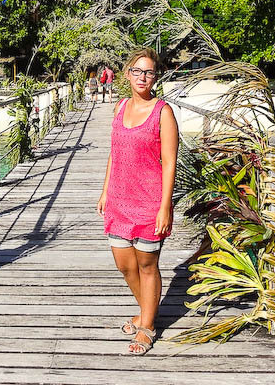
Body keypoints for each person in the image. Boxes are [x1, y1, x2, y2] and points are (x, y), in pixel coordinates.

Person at [96, 48, 178, 355]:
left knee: (147, 265)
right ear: (127, 74)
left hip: (149, 202)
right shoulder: (120, 107)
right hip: (119, 199)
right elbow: (114, 152)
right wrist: (105, 190)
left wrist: (165, 206)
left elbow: (169, 162)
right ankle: (147, 311)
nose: (143, 77)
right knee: (125, 265)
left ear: (155, 77)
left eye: (149, 72)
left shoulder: (163, 112)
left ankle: (147, 327)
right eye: (137, 71)